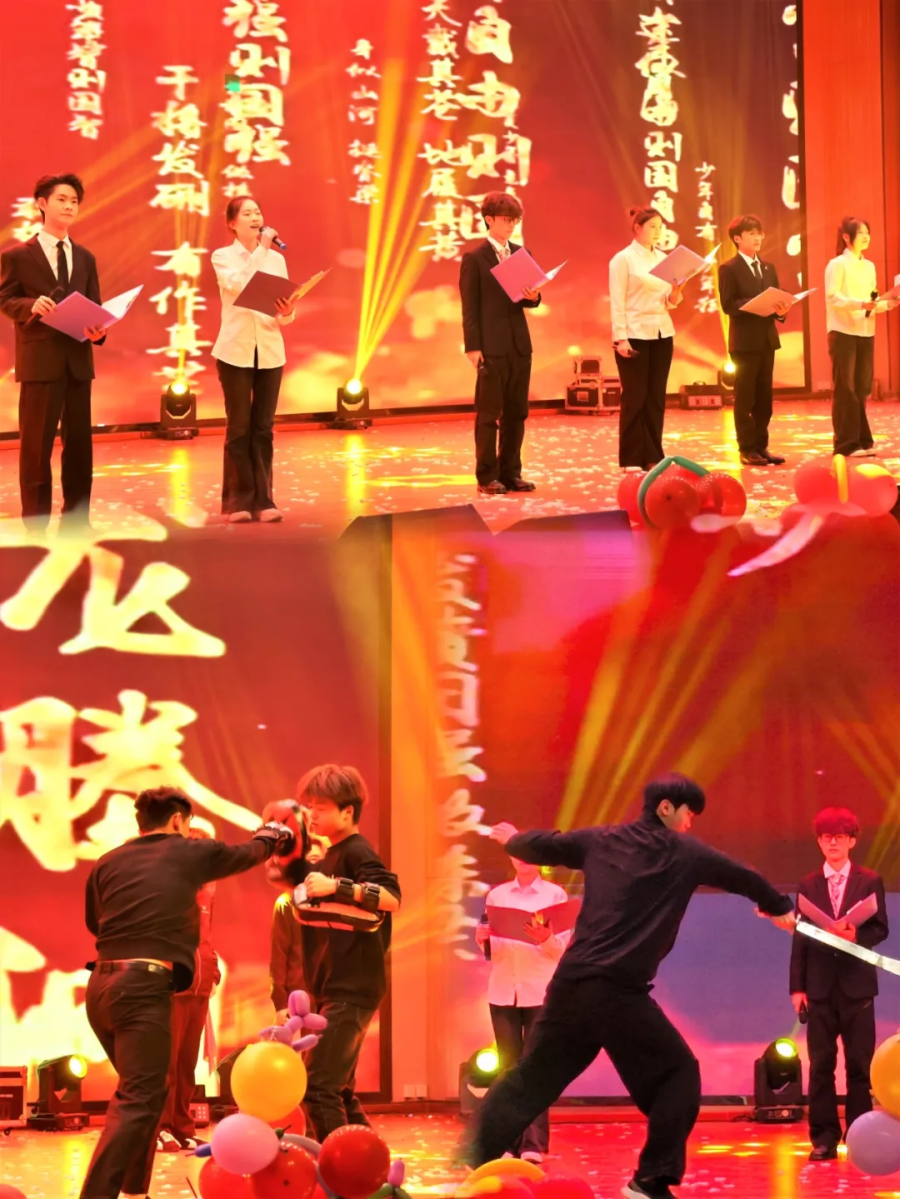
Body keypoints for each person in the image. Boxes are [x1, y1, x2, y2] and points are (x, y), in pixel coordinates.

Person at [468, 774, 796, 1199]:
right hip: (618, 991)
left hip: (570, 987)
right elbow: (742, 876)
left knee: (529, 1080)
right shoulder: (685, 853)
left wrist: (514, 841)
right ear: (666, 807)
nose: (689, 824)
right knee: (677, 1075)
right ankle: (650, 1181)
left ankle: (472, 1166)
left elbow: (546, 844)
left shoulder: (600, 840)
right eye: (688, 814)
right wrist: (779, 907)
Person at [79, 787, 294, 1199]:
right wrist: (272, 834)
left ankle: (135, 1191)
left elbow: (95, 922)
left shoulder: (107, 861)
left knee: (145, 1092)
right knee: (138, 1097)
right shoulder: (188, 851)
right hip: (142, 989)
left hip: (101, 990)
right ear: (178, 820)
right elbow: (247, 853)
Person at [288, 765, 401, 1142]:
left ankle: (341, 1170)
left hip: (351, 989)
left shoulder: (357, 850)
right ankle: (370, 1166)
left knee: (317, 1086)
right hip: (332, 989)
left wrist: (336, 886)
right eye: (309, 807)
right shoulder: (330, 855)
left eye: (320, 808)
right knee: (338, 1090)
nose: (312, 815)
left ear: (347, 812)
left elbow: (392, 897)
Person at [0, 173, 106, 530]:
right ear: (42, 204)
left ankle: (76, 520)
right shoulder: (18, 256)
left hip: (77, 362)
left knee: (79, 448)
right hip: (40, 362)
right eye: (62, 199)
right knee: (36, 448)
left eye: (74, 201)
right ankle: (36, 524)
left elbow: (95, 306)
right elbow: (5, 298)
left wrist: (99, 330)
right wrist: (30, 305)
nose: (69, 206)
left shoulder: (86, 257)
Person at [789, 807, 888, 1163]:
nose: (833, 843)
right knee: (821, 1065)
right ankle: (824, 1138)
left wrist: (855, 934)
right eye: (827, 837)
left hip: (858, 987)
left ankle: (859, 1136)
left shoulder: (869, 880)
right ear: (819, 842)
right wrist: (796, 988)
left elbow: (881, 928)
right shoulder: (808, 884)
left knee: (860, 1066)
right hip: (818, 987)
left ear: (852, 841)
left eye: (840, 837)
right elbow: (800, 938)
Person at [475, 856, 571, 1164]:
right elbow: (494, 950)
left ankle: (533, 1144)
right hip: (503, 990)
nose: (523, 860)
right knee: (507, 1070)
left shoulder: (554, 895)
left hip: (540, 990)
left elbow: (562, 950)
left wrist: (546, 939)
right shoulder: (497, 895)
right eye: (517, 853)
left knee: (535, 1068)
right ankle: (507, 1141)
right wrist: (482, 940)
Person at [211, 196, 298, 523]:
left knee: (263, 428)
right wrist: (261, 249)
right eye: (247, 213)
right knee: (239, 427)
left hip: (270, 351)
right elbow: (239, 284)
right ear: (232, 224)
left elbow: (281, 312)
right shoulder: (223, 257)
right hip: (235, 351)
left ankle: (264, 500)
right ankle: (238, 502)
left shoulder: (276, 260)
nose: (255, 217)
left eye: (258, 212)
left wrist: (288, 311)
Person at [459, 191, 542, 496]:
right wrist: (473, 347)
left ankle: (511, 472)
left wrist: (535, 296)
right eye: (506, 220)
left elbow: (528, 300)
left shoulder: (521, 253)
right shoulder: (474, 258)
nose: (510, 225)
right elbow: (469, 307)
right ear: (489, 219)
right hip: (490, 347)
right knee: (489, 414)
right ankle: (487, 475)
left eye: (514, 220)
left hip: (519, 345)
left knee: (517, 413)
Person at [156, 826, 221, 1153]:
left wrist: (212, 970)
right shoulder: (166, 891)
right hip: (173, 988)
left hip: (199, 989)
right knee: (164, 1063)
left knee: (186, 1065)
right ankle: (159, 1128)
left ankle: (182, 1127)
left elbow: (206, 938)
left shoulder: (207, 893)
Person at [608, 206, 683, 471]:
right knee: (635, 397)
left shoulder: (663, 259)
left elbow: (669, 302)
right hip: (634, 334)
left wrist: (676, 291)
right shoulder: (623, 259)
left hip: (662, 331)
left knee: (656, 398)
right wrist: (621, 338)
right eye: (652, 226)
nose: (657, 232)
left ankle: (653, 455)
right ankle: (631, 457)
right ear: (637, 228)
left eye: (660, 227)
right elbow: (617, 302)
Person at [717, 215, 789, 467]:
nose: (758, 238)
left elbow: (777, 300)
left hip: (767, 340)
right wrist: (755, 304)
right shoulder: (729, 268)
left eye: (759, 233)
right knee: (745, 397)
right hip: (744, 342)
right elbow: (728, 304)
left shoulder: (768, 267)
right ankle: (746, 448)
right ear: (737, 238)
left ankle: (761, 446)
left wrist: (781, 311)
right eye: (751, 234)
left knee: (764, 399)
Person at [825, 217, 897, 458]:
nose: (866, 236)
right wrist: (860, 304)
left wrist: (887, 303)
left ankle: (862, 440)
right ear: (847, 237)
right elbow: (832, 297)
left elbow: (871, 302)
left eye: (868, 232)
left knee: (862, 388)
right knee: (845, 388)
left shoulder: (869, 266)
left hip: (866, 331)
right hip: (843, 332)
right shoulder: (837, 264)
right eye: (861, 232)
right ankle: (846, 444)